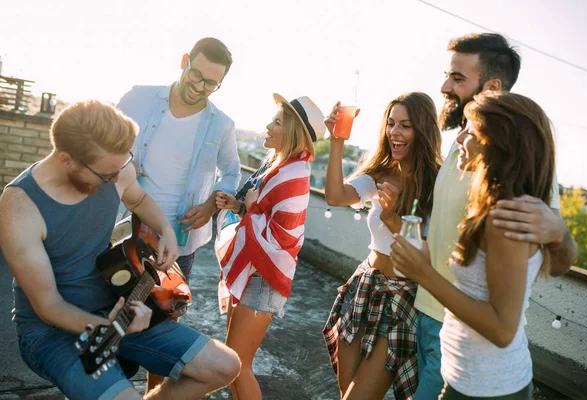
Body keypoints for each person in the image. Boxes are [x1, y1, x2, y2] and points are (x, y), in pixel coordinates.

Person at [0, 100, 240, 400]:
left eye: (122, 166)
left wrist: (166, 231)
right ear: (66, 160)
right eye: (107, 175)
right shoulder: (19, 208)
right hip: (50, 332)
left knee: (224, 365)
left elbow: (137, 199)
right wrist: (113, 326)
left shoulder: (114, 168)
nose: (117, 179)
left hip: (116, 307)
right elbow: (48, 306)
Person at [395, 33, 578, 399]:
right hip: (436, 319)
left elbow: (553, 262)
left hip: (476, 354)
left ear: (492, 87)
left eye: (458, 77)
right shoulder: (465, 142)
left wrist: (559, 231)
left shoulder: (509, 173)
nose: (445, 85)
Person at [322, 93, 443, 399]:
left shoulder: (437, 183)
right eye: (391, 123)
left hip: (402, 299)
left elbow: (430, 251)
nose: (394, 132)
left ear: (423, 130)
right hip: (365, 286)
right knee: (345, 392)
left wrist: (391, 219)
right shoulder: (380, 173)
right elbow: (336, 196)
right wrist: (337, 141)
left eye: (405, 125)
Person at [214, 93, 326, 400]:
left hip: (263, 277)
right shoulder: (282, 168)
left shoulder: (293, 176)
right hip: (255, 272)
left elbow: (281, 241)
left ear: (291, 132)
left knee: (237, 365)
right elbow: (264, 214)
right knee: (231, 363)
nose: (268, 126)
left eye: (276, 122)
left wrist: (249, 209)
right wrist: (240, 206)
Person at [116, 37, 241, 283]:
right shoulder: (137, 98)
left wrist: (210, 207)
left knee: (163, 314)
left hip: (178, 243)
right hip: (122, 228)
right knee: (108, 306)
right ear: (185, 61)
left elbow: (231, 173)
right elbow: (103, 142)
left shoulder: (223, 125)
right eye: (196, 75)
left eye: (210, 83)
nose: (199, 87)